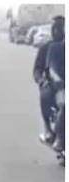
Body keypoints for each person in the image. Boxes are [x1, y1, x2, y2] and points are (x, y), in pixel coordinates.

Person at [35, 16, 65, 147]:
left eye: (60, 28)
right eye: (55, 28)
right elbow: (37, 68)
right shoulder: (46, 48)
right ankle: (47, 128)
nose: (57, 31)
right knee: (45, 95)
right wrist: (41, 80)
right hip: (53, 82)